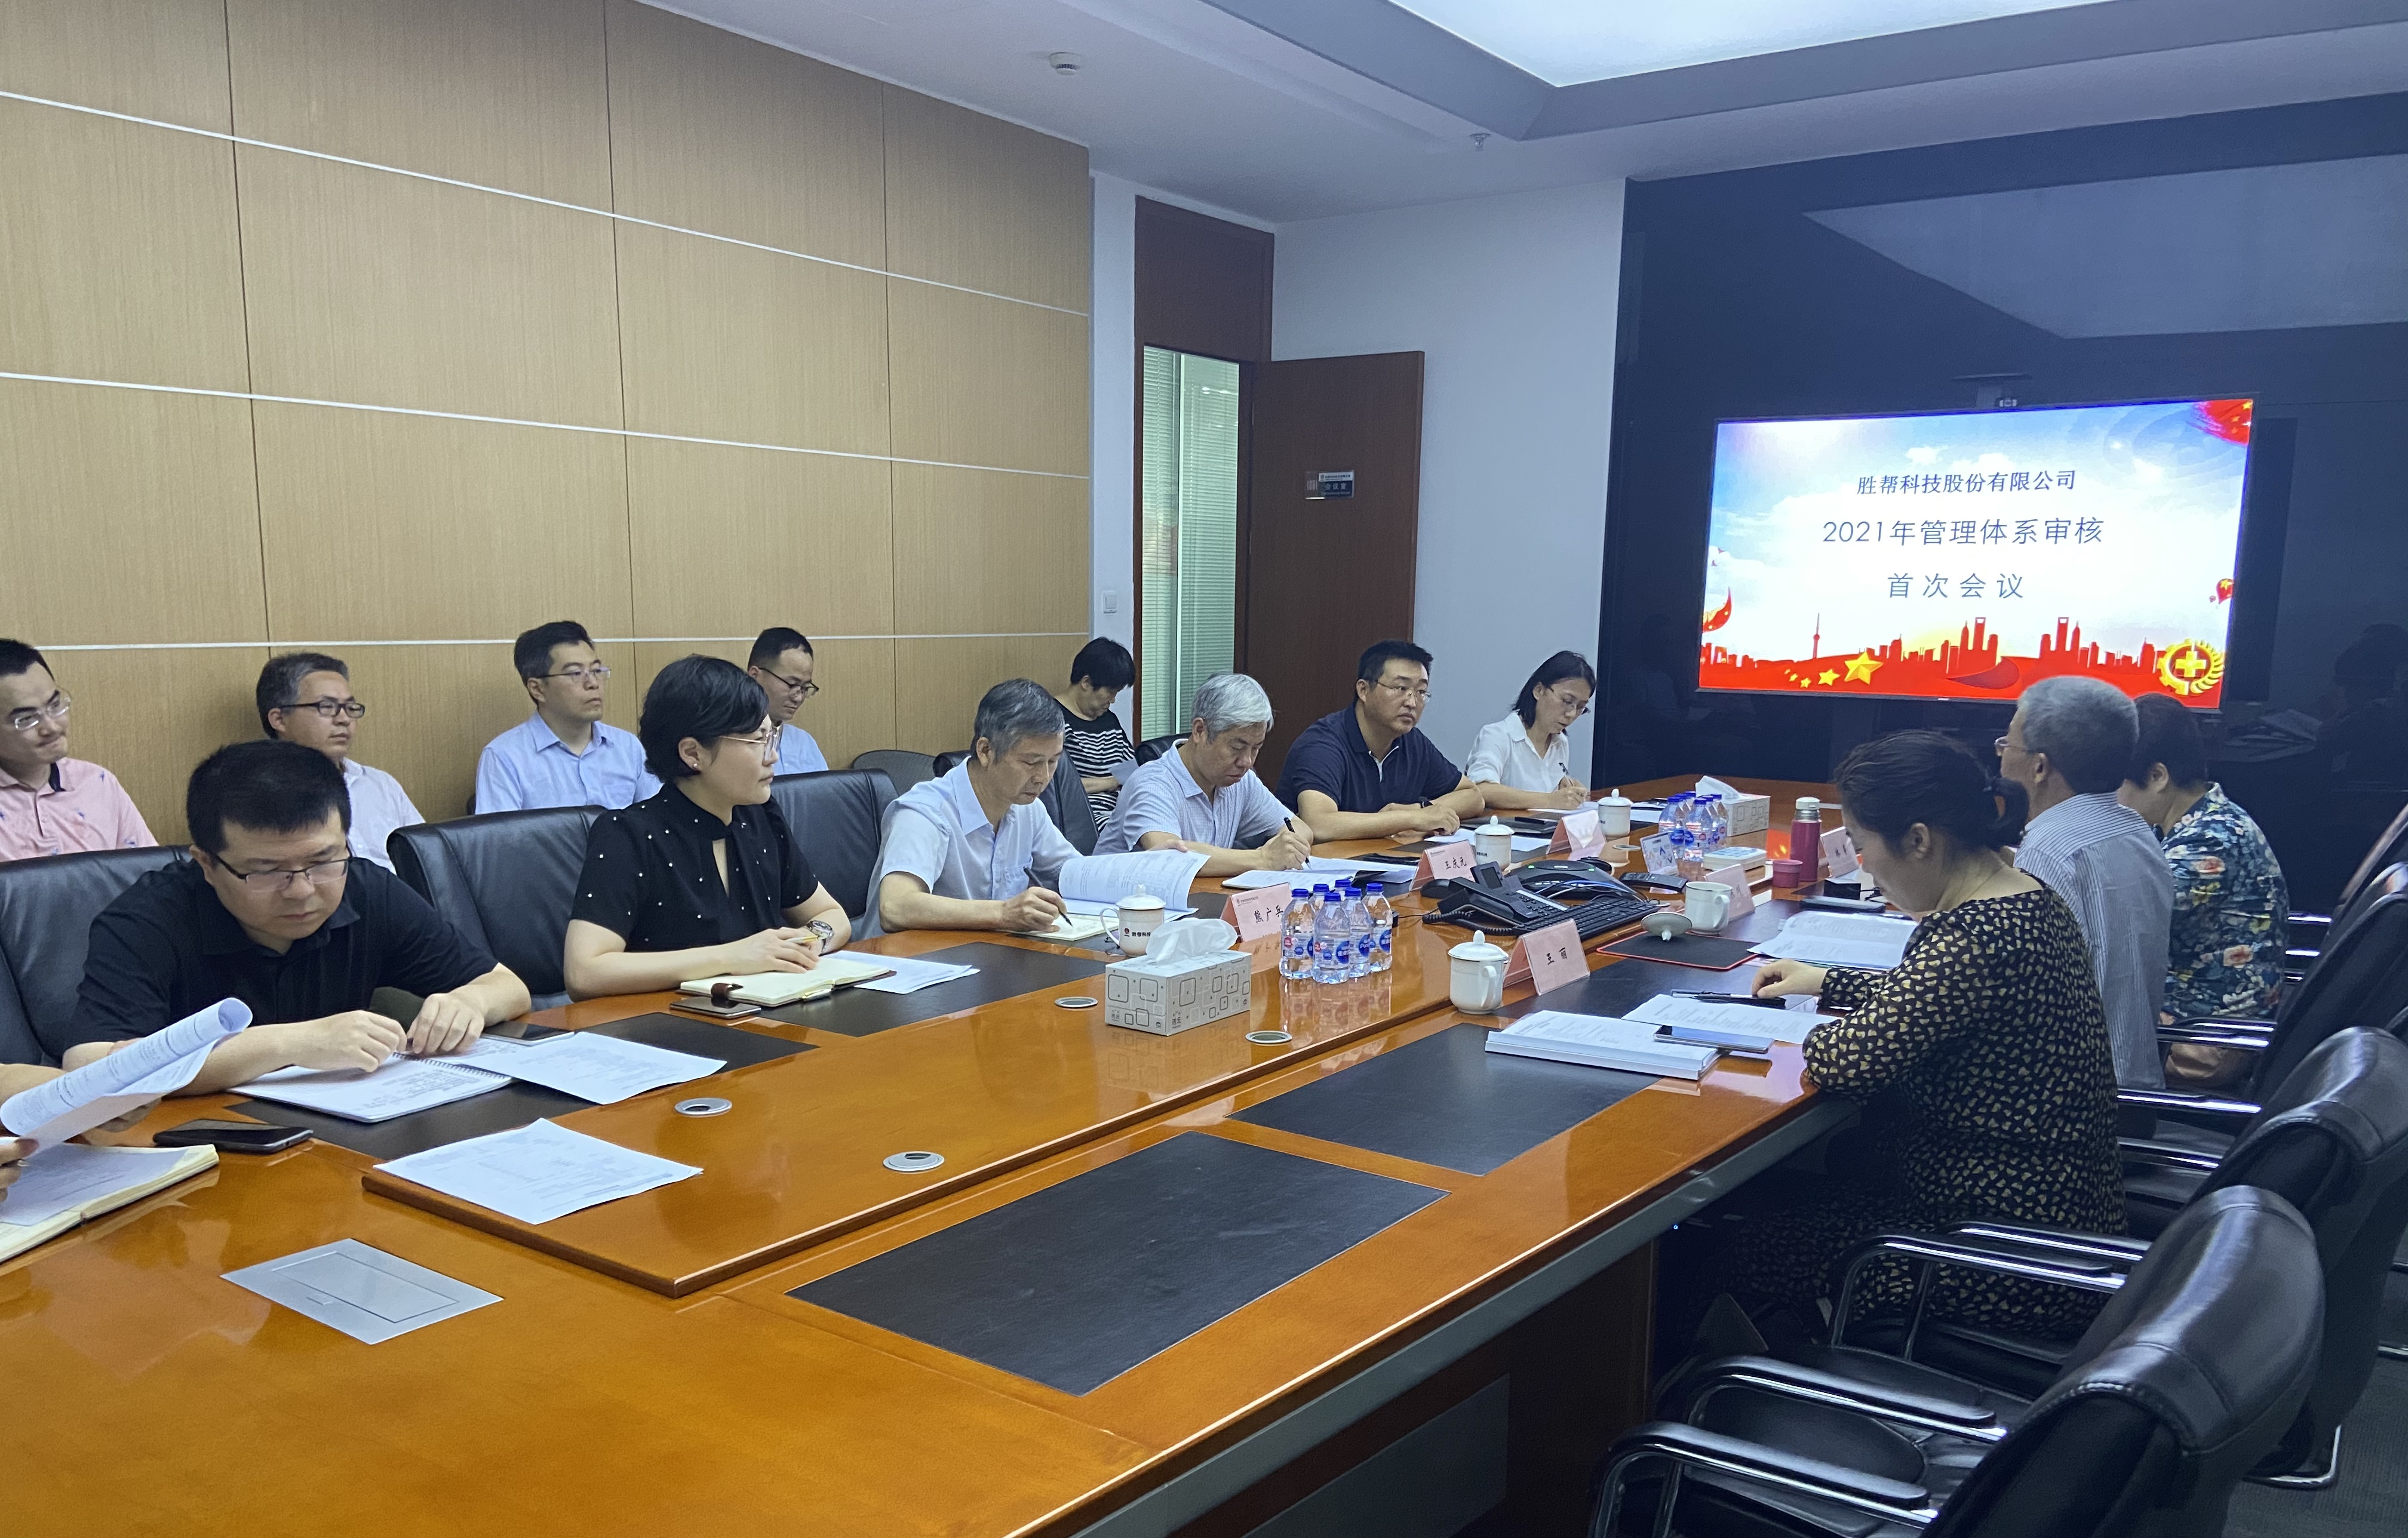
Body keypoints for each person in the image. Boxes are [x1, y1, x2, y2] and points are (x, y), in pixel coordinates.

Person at [1735, 731, 2123, 1338]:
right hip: (2059, 1220)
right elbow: (1938, 998)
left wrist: (1792, 1030)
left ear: (1918, 840)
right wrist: (1830, 980)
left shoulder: (1972, 939)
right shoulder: (2025, 896)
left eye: (1862, 845)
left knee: (1735, 1237)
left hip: (1992, 1251)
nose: (1862, 863)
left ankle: (1739, 1377)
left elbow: (1844, 1061)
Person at [51, 741, 530, 1091]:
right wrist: (290, 1044)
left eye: (323, 860)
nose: (302, 891)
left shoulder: (366, 889)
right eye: (266, 871)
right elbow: (89, 1067)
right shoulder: (147, 920)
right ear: (208, 865)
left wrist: (468, 1003)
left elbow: (506, 986)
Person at [563, 657, 851, 998]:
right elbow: (585, 972)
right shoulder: (628, 835)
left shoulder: (760, 818)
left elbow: (833, 915)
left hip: (761, 1010)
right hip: (666, 1019)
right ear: (693, 753)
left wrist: (808, 940)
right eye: (757, 741)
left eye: (771, 737)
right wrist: (731, 957)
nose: (772, 756)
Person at [1998, 676, 2172, 1090]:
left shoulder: (2049, 852)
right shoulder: (2135, 829)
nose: (2000, 758)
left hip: (2074, 1099)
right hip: (2134, 1081)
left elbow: (2023, 1003)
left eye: (2007, 746)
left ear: (2039, 767)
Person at [2120, 693, 2290, 1088]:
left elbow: (2120, 917)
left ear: (2157, 777)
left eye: (2118, 784)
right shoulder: (2199, 822)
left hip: (2204, 1039)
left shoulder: (2212, 841)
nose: (2112, 799)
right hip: (2188, 1012)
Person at [869, 679, 1080, 936]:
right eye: (1031, 762)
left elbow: (1073, 873)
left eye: (1053, 761)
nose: (1043, 777)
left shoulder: (1028, 809)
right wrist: (1003, 914)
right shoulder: (925, 812)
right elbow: (895, 907)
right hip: (908, 957)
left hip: (988, 953)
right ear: (986, 751)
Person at [1098, 672, 1313, 877]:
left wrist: (1286, 846)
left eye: (1256, 748)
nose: (1247, 762)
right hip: (1117, 902)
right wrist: (1263, 858)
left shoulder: (1242, 781)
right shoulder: (1153, 783)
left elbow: (1300, 830)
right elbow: (1167, 856)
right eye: (1237, 747)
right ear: (1200, 730)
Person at [1274, 639, 1486, 840]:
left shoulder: (1411, 742)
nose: (1412, 702)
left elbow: (1473, 796)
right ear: (1364, 690)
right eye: (1401, 688)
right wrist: (1410, 819)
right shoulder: (1323, 744)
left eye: (1421, 692)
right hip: (1318, 863)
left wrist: (1417, 809)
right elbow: (1318, 824)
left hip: (1382, 859)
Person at [256, 652, 424, 870]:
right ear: (279, 719)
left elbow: (425, 861)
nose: (344, 719)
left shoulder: (379, 784)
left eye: (350, 708)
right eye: (327, 707)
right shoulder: (259, 796)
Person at [474, 620, 658, 813]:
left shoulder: (627, 747)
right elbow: (500, 833)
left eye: (596, 671)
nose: (593, 683)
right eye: (576, 673)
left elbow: (657, 820)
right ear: (538, 689)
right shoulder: (504, 757)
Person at [0, 639, 155, 863]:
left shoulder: (97, 783)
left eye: (55, 706)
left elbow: (148, 873)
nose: (52, 727)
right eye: (26, 719)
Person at [1465, 651, 1596, 810]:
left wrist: (1566, 790)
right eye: (1567, 701)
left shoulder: (1560, 742)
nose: (1572, 714)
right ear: (1539, 691)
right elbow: (1481, 790)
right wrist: (1550, 800)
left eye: (1581, 707)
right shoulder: (1496, 735)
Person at [1052, 638, 1137, 829]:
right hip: (1084, 816)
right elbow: (1052, 788)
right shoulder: (1053, 721)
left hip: (1124, 809)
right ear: (1087, 683)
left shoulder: (1109, 720)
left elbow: (1131, 772)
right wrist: (1110, 782)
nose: (1113, 701)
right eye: (1111, 692)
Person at [745, 627, 830, 777]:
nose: (798, 698)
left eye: (805, 688)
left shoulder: (804, 742)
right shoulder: (728, 743)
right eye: (791, 684)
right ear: (754, 677)